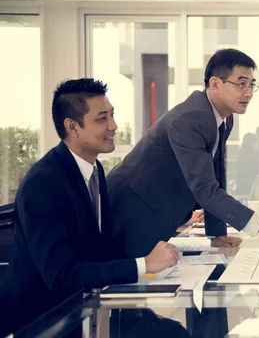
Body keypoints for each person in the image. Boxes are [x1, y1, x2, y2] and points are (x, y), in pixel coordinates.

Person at [0, 79, 178, 333]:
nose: (113, 126)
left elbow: (99, 249)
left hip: (85, 310)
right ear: (72, 127)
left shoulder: (94, 170)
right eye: (102, 119)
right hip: (42, 322)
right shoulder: (43, 184)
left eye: (112, 115)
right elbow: (62, 276)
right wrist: (144, 264)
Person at [107, 49, 259, 258]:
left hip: (154, 211)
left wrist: (216, 232)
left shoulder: (224, 118)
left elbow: (216, 175)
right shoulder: (190, 118)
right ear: (215, 84)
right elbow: (204, 188)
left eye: (251, 84)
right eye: (241, 83)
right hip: (131, 213)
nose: (249, 92)